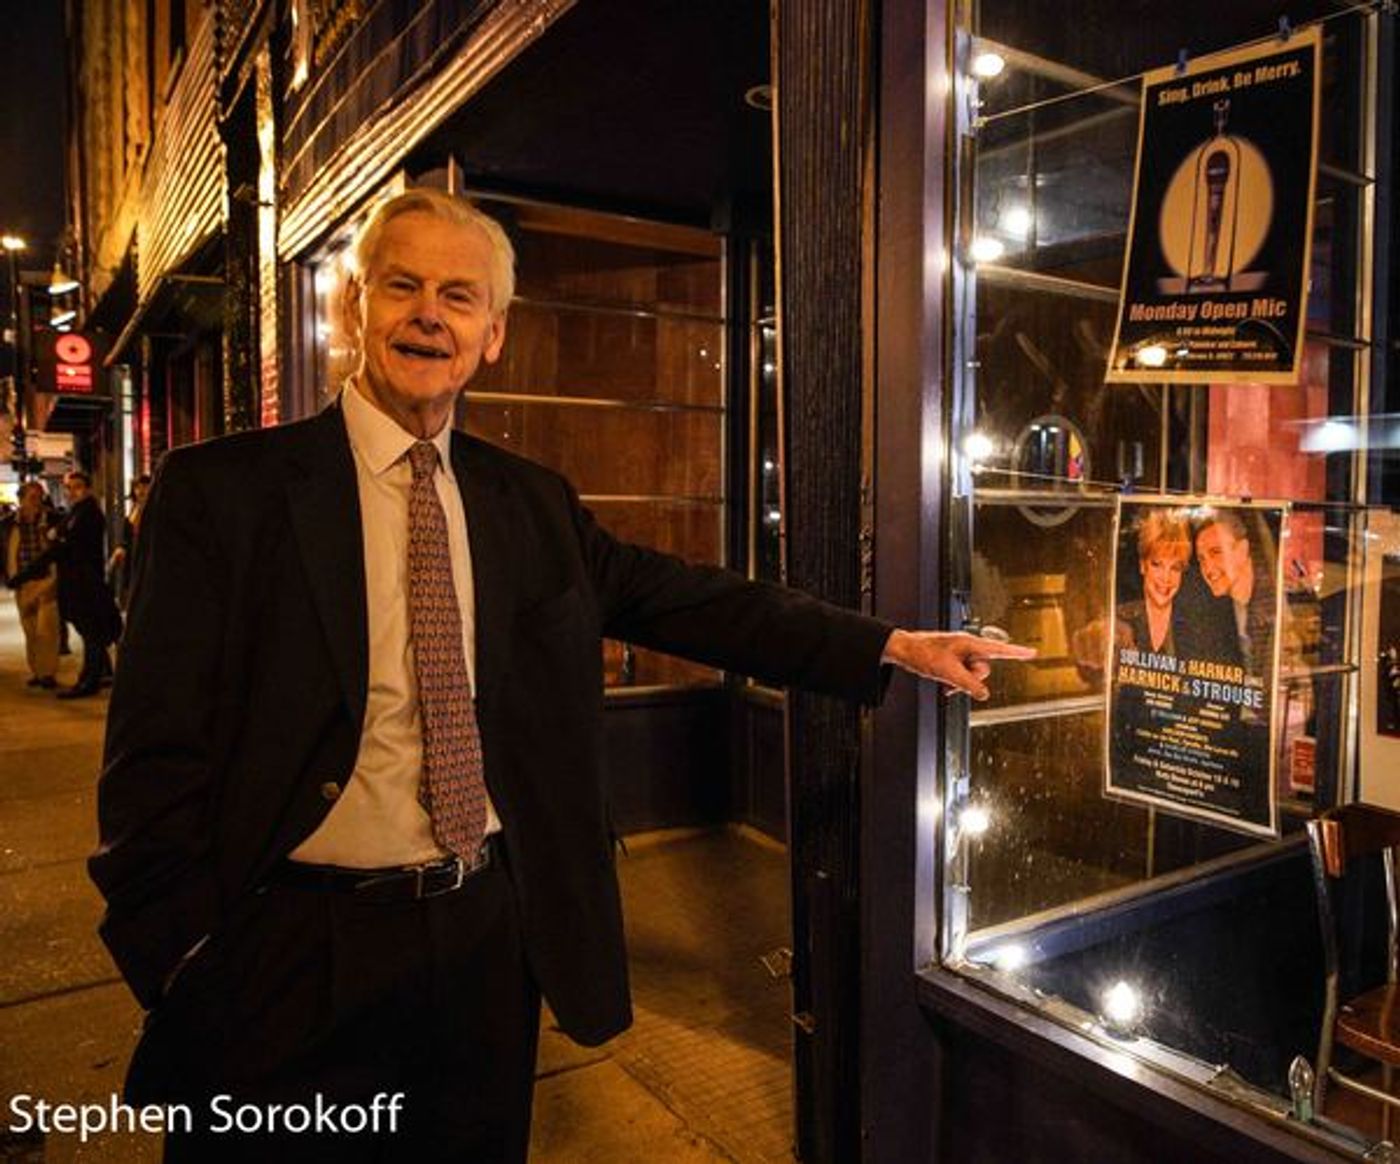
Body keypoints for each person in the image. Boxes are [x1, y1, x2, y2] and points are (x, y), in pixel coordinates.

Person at [90, 188, 1034, 1162]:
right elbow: (152, 754)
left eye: (459, 297)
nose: (429, 315)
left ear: (492, 335)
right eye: (402, 286)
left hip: (480, 944)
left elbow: (689, 600)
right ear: (353, 308)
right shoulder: (224, 494)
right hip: (287, 951)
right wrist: (183, 958)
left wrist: (888, 645)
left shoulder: (528, 503)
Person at [48, 470, 121, 698]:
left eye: (77, 487)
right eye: (69, 488)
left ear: (88, 488)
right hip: (82, 579)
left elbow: (70, 543)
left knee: (91, 633)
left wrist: (58, 536)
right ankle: (100, 673)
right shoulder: (77, 511)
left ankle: (89, 681)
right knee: (91, 632)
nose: (72, 492)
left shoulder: (88, 512)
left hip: (85, 580)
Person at [1194, 509, 1274, 674]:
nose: (1208, 568)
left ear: (1243, 549)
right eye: (1201, 559)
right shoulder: (1217, 610)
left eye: (1216, 552)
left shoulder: (1272, 606)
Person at [2, 481, 61, 689]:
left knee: (47, 628)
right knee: (30, 629)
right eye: (32, 497)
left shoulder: (52, 519)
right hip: (21, 581)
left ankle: (48, 673)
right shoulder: (8, 524)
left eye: (39, 497)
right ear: (21, 500)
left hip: (47, 579)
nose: (37, 502)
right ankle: (37, 670)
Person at [1117, 510, 1192, 654]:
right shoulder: (1119, 618)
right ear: (1142, 565)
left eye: (1175, 568)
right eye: (1157, 564)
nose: (1166, 578)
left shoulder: (1195, 623)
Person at [107, 473, 152, 610]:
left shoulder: (154, 509)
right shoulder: (134, 509)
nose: (141, 490)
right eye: (137, 487)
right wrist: (121, 548)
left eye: (145, 486)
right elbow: (127, 536)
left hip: (147, 556)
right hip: (133, 556)